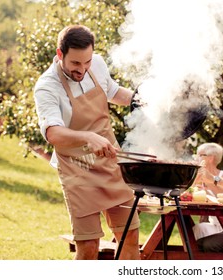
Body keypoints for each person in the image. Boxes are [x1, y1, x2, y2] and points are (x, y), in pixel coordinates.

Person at [33, 25, 140, 260]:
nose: (82, 69)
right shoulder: (47, 87)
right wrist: (88, 137)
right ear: (60, 54)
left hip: (112, 163)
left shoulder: (97, 64)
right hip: (77, 170)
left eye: (87, 62)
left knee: (130, 237)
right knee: (89, 245)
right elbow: (53, 133)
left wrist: (138, 99)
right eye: (75, 64)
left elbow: (111, 91)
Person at [191, 142, 223, 237]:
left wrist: (208, 181)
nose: (196, 158)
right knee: (195, 229)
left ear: (211, 158)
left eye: (200, 155)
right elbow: (190, 194)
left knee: (198, 230)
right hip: (214, 224)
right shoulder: (199, 176)